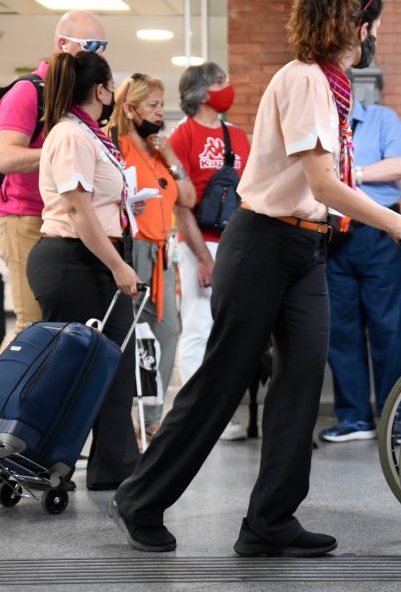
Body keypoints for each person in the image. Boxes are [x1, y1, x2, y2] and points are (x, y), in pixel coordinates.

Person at [109, 0, 401, 555]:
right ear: (356, 29)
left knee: (302, 377)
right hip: (262, 242)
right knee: (223, 377)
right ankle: (140, 498)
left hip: (305, 249)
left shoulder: (330, 85)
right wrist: (400, 225)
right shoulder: (306, 81)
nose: (376, 36)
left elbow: (323, 190)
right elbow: (323, 182)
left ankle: (269, 519)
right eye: (373, 25)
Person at [26, 51, 141, 491]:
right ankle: (40, 460)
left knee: (112, 366)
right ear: (101, 90)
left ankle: (115, 466)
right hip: (75, 260)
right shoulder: (72, 136)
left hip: (90, 257)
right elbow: (76, 209)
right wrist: (118, 266)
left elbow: (92, 204)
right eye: (113, 85)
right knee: (72, 368)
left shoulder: (90, 136)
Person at [0, 10, 107, 341]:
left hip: (63, 223)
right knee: (33, 329)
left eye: (103, 45)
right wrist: (62, 153)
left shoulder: (75, 97)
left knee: (63, 331)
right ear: (62, 43)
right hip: (25, 218)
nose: (98, 53)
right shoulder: (27, 92)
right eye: (90, 44)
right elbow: (7, 157)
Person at [319, 98, 401, 443]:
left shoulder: (380, 117)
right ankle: (354, 418)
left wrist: (350, 175)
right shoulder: (320, 124)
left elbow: (400, 164)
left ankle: (396, 418)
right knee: (341, 330)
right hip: (333, 235)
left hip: (379, 234)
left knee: (388, 328)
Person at [109, 73, 196, 439]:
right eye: (153, 105)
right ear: (129, 109)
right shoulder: (118, 145)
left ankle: (153, 414)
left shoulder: (160, 153)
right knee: (130, 339)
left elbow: (189, 198)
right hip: (133, 251)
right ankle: (123, 419)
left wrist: (172, 157)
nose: (160, 113)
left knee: (167, 333)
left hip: (163, 255)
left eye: (162, 105)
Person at [169, 62, 252, 442]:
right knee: (198, 325)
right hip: (197, 244)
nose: (228, 88)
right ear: (203, 93)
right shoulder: (180, 138)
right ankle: (195, 416)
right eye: (221, 82)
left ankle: (218, 413)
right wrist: (204, 258)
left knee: (229, 330)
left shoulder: (237, 136)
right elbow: (181, 204)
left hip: (237, 244)